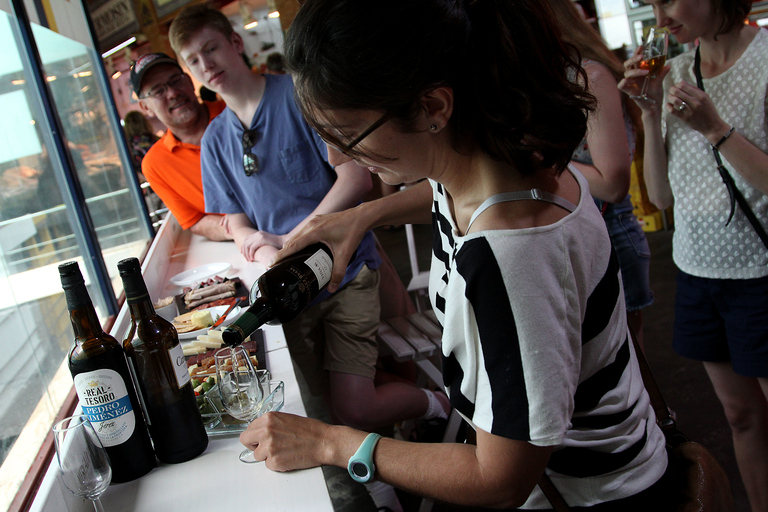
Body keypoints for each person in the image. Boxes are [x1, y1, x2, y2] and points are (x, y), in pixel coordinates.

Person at [240, 0, 669, 509]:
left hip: (590, 494)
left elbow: (500, 480)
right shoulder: (504, 163)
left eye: (347, 135)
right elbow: (445, 197)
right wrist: (360, 217)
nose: (337, 158)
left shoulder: (509, 258)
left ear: (434, 108)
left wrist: (329, 441)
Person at [168, 4, 446, 436]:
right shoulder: (216, 140)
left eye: (211, 48)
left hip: (344, 270)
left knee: (353, 402)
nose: (206, 64)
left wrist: (288, 237)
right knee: (317, 408)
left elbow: (354, 178)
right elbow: (235, 220)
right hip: (287, 289)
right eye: (194, 60)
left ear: (235, 43)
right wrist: (255, 242)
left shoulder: (299, 96)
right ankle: (379, 492)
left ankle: (437, 404)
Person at [619, 0, 768, 509]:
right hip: (699, 272)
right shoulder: (679, 70)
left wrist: (715, 129)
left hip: (761, 272)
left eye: (666, 1)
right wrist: (648, 110)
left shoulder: (766, 60)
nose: (659, 20)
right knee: (740, 416)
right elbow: (660, 198)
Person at [545, 0, 653, 347]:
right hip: (567, 235)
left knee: (628, 365)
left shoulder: (587, 74)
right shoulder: (548, 76)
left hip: (608, 233)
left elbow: (612, 184)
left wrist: (536, 155)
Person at [131, 53, 232, 241]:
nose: (172, 93)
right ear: (145, 107)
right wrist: (243, 231)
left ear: (190, 82)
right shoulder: (155, 165)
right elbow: (195, 221)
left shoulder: (235, 109)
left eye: (176, 80)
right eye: (158, 91)